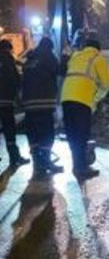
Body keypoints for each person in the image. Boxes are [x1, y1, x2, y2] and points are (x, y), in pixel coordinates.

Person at [61, 36, 109, 180]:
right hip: (82, 101)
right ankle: (81, 168)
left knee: (72, 135)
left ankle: (77, 165)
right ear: (98, 49)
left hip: (66, 98)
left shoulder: (76, 56)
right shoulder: (97, 58)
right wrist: (95, 99)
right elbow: (107, 84)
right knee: (81, 135)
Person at [22, 37, 64, 179]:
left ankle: (37, 163)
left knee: (33, 133)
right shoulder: (48, 55)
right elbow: (59, 70)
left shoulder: (29, 60)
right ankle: (46, 162)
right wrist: (65, 57)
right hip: (43, 103)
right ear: (50, 46)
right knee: (46, 134)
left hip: (28, 104)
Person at [0, 39, 29, 167]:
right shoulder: (9, 60)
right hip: (6, 101)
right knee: (9, 131)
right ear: (9, 49)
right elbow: (16, 79)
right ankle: (14, 158)